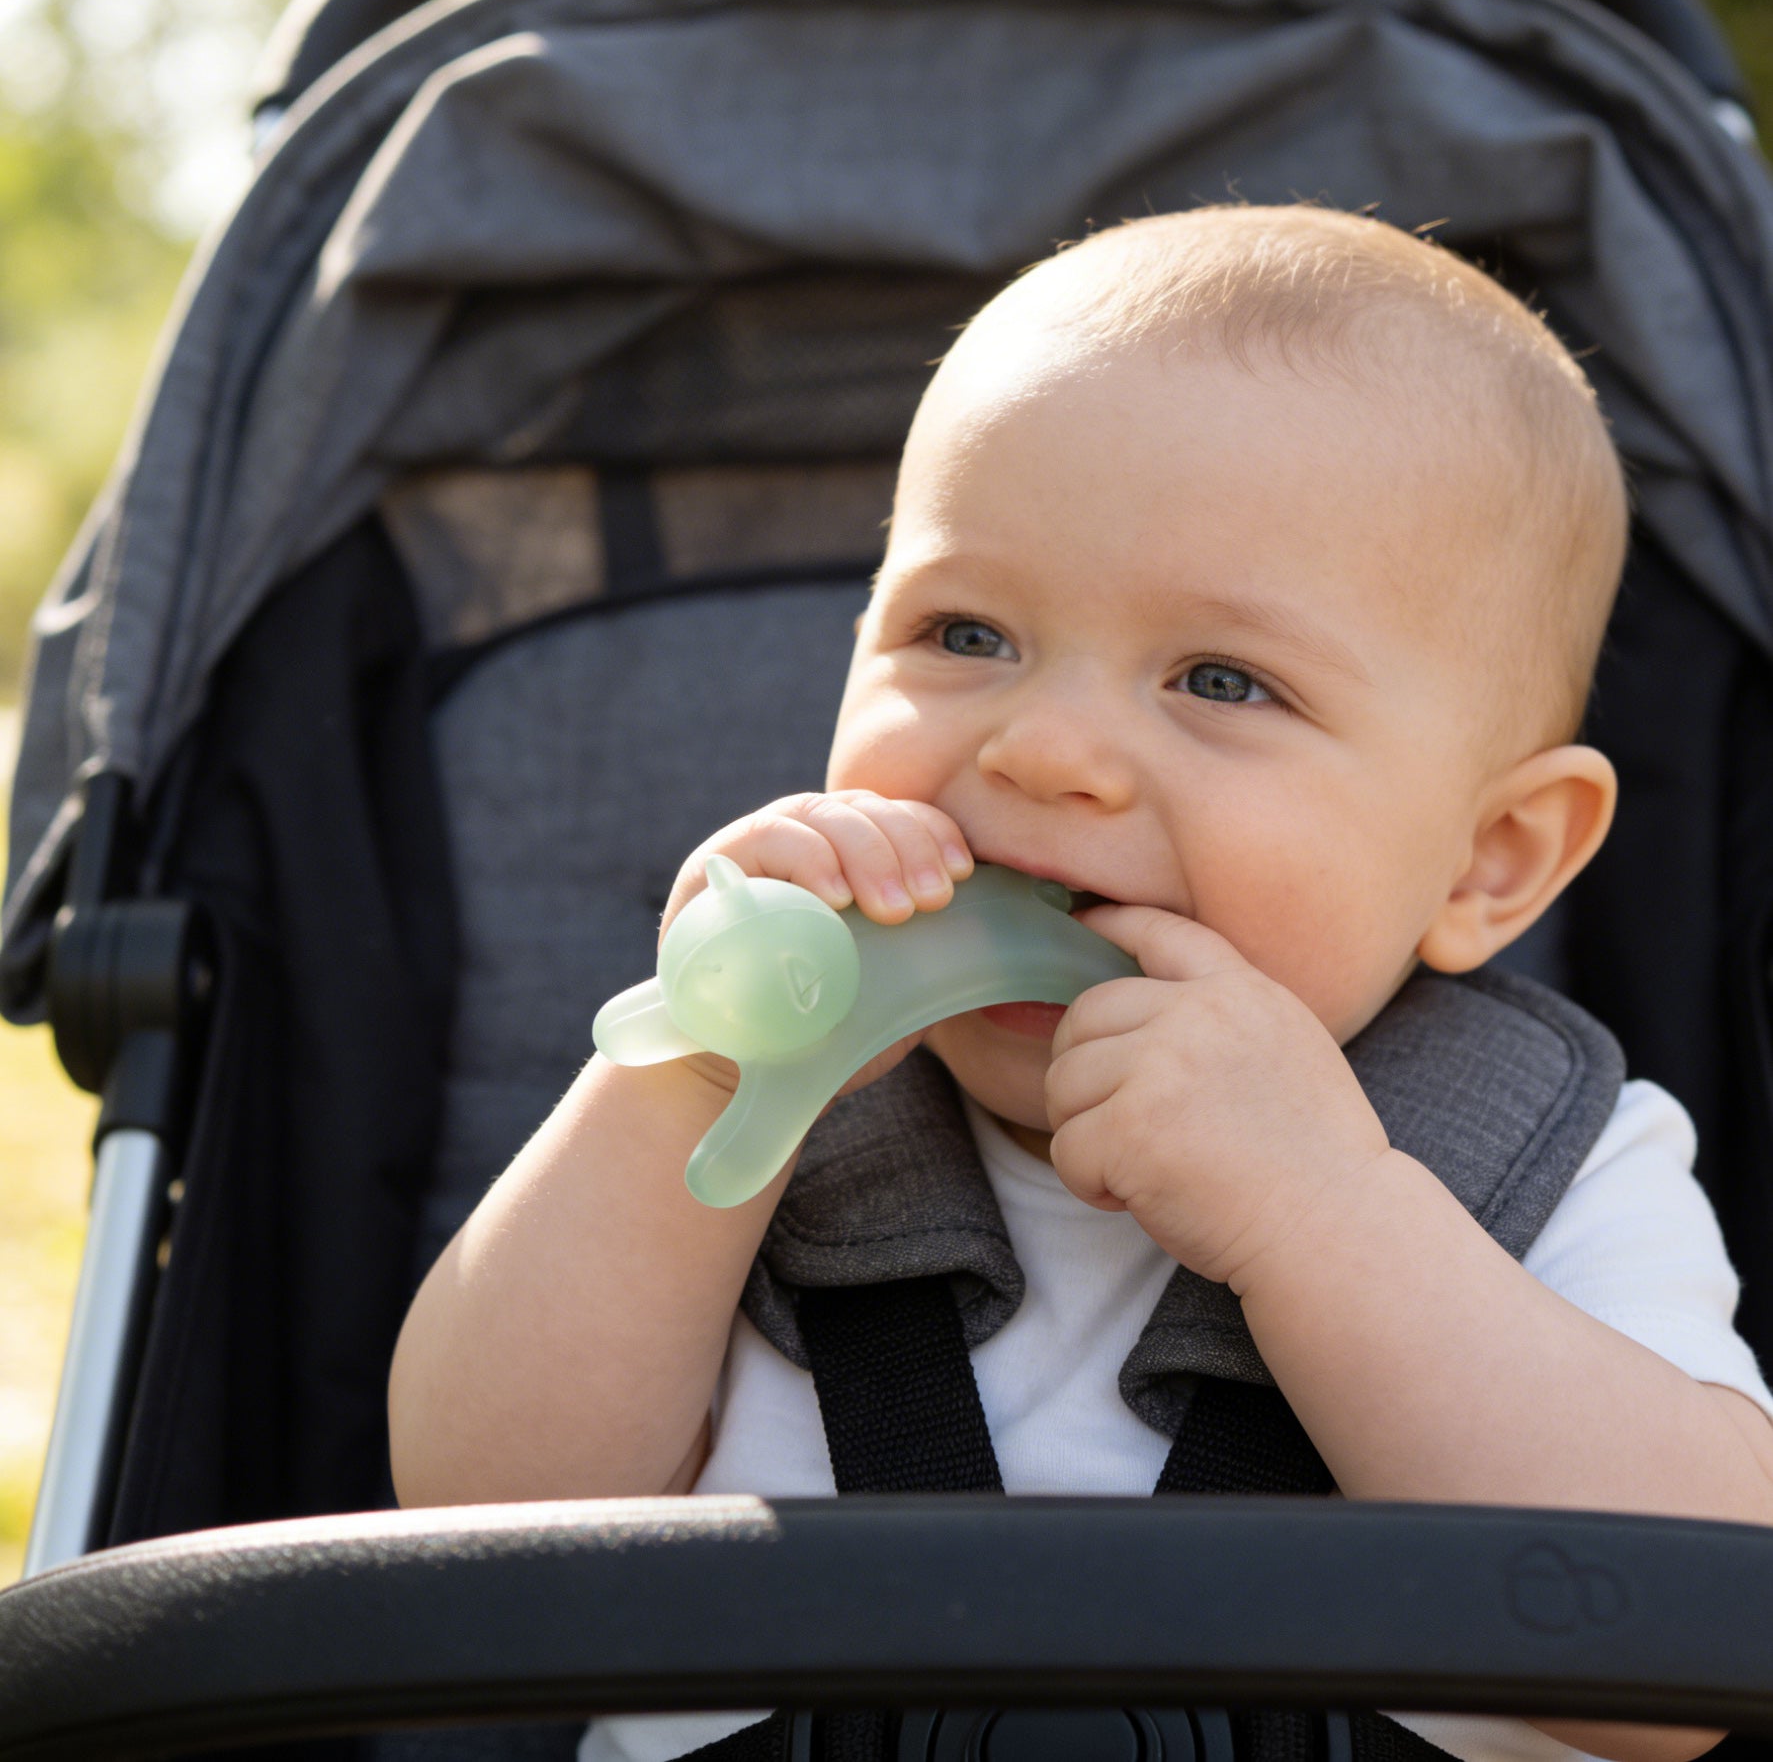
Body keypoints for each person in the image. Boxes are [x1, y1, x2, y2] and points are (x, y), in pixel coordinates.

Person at [386, 206, 1773, 1762]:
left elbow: (1688, 1643)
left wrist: (1325, 1216)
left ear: (1489, 859)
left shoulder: (1548, 1158)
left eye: (1220, 679)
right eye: (962, 632)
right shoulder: (754, 1127)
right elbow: (477, 1530)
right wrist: (700, 1079)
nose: (1038, 748)